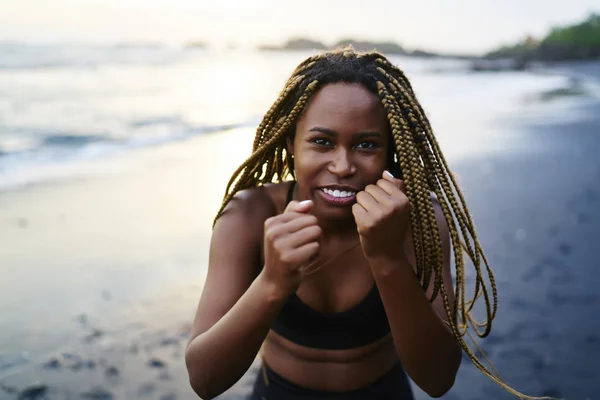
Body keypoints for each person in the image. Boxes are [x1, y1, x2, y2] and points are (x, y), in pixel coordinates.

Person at [184, 47, 542, 399]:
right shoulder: (249, 216)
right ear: (292, 142)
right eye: (322, 142)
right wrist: (272, 283)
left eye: (366, 145)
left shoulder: (420, 220)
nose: (342, 166)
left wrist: (388, 259)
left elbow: (437, 379)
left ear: (391, 151)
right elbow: (204, 379)